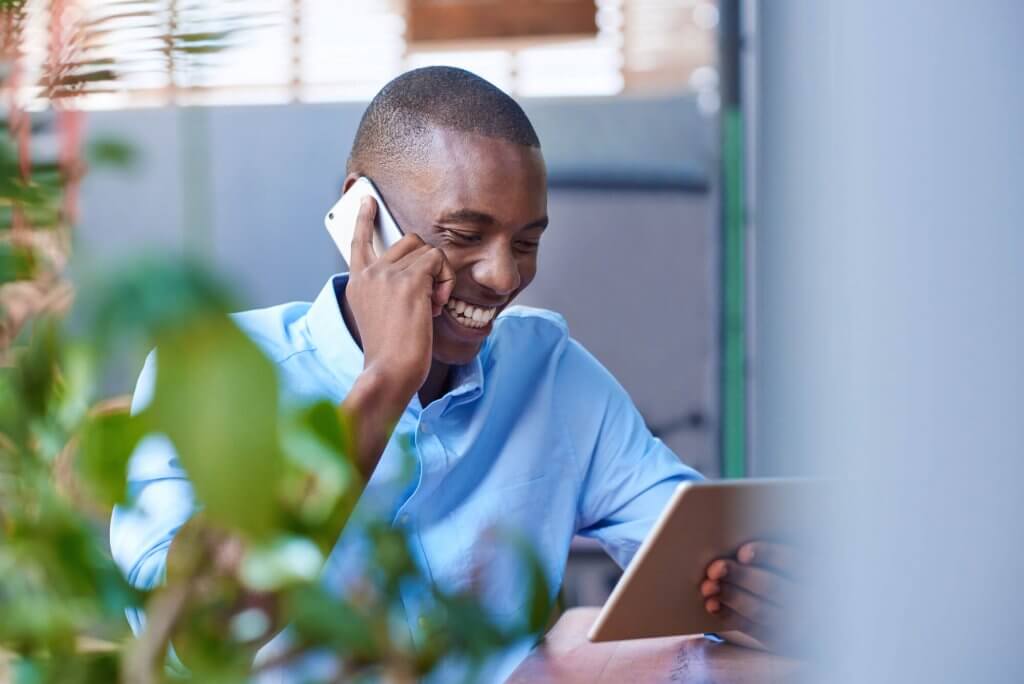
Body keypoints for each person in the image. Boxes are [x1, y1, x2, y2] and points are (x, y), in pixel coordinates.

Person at [110, 66, 799, 681]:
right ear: (363, 215)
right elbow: (193, 638)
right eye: (464, 236)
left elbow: (692, 548)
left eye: (527, 243)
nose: (505, 276)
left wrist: (756, 594)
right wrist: (383, 383)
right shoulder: (209, 373)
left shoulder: (549, 370)